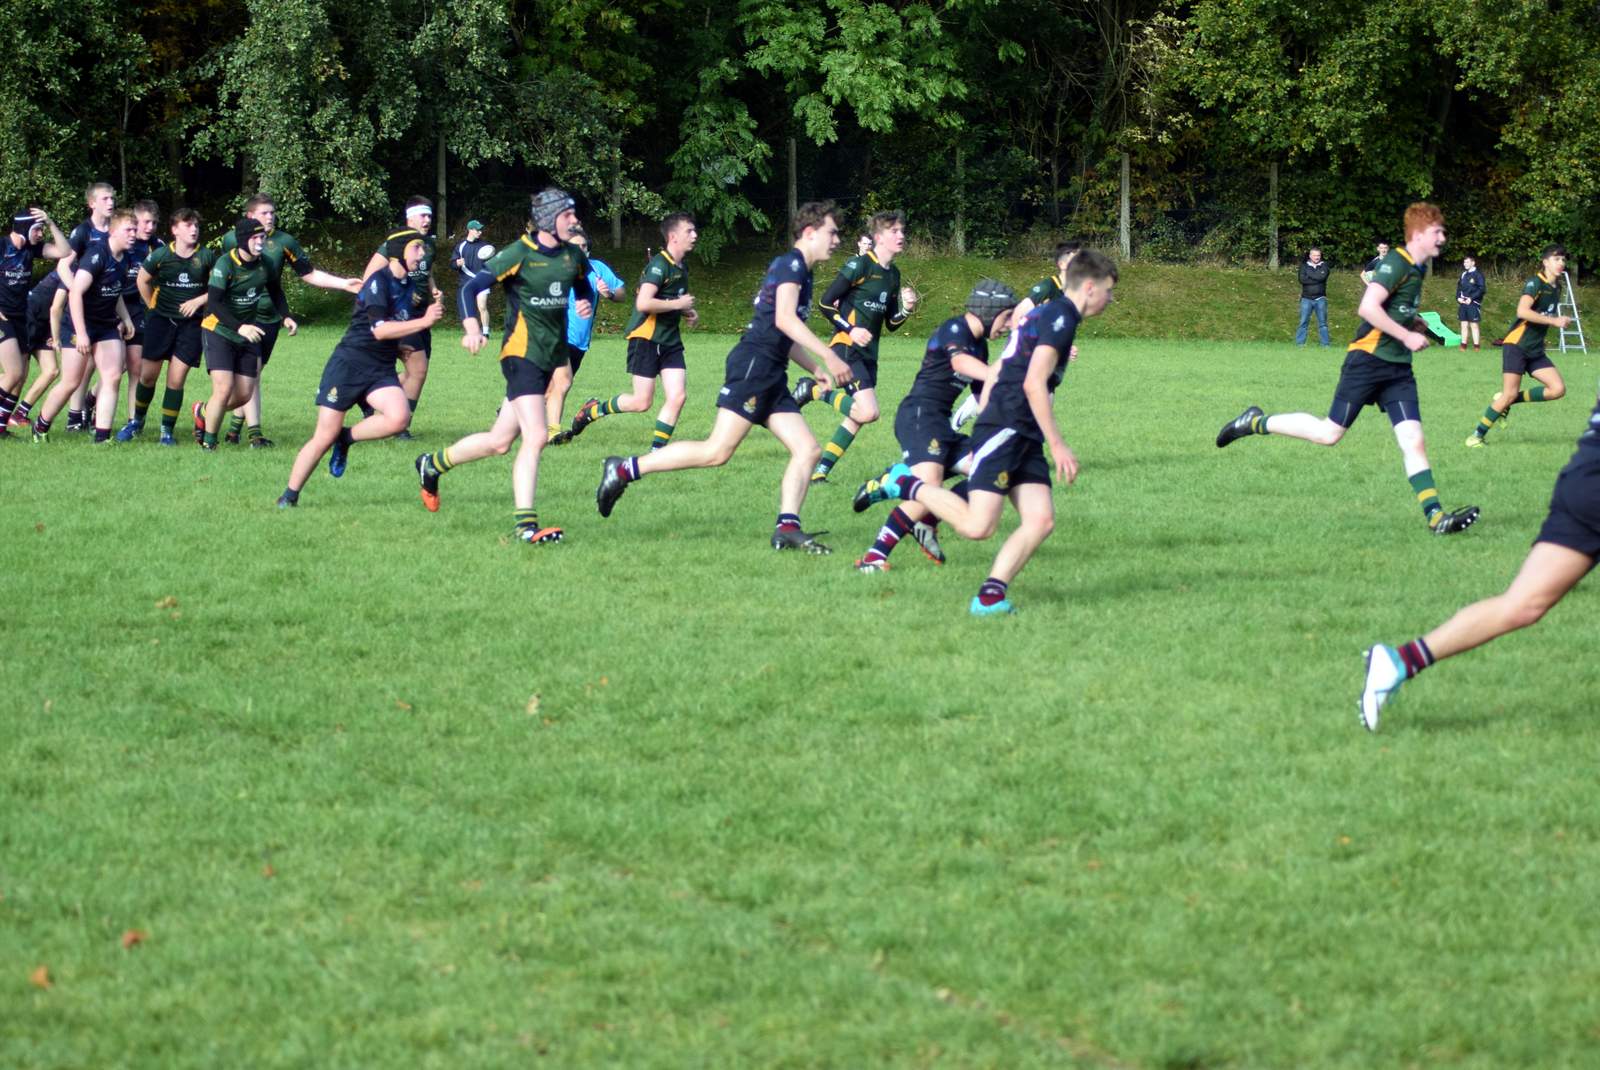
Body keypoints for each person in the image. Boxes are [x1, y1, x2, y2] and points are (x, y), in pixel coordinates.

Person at [855, 251, 1118, 614]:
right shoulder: (1059, 316)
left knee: (1040, 520)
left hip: (1020, 429)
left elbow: (1010, 367)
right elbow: (1033, 383)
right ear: (1089, 287)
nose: (1110, 299)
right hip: (1007, 424)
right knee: (978, 527)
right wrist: (1058, 444)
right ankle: (904, 484)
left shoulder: (1049, 314)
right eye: (1109, 291)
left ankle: (989, 597)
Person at [593, 200, 854, 553]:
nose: (837, 240)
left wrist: (816, 369)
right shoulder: (790, 265)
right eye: (832, 233)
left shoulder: (802, 272)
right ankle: (624, 469)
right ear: (810, 232)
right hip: (754, 368)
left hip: (771, 372)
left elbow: (784, 332)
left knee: (807, 449)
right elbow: (784, 320)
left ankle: (787, 529)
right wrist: (829, 355)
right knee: (716, 451)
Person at [1216, 203, 1479, 536]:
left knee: (1413, 440)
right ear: (1417, 234)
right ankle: (1254, 422)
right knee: (1329, 434)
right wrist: (1405, 335)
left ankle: (1436, 517)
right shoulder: (1395, 263)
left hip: (1398, 370)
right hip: (1367, 362)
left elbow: (1391, 309)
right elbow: (1367, 307)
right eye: (1436, 231)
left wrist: (1412, 323)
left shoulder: (1416, 269)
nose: (1442, 237)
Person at [1360, 388, 1600, 730]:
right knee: (1523, 603)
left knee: (1522, 605)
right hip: (1592, 486)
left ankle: (1400, 661)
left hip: (1584, 475)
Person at [413, 187, 595, 544]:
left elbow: (584, 286)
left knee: (499, 442)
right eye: (568, 214)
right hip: (520, 356)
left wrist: (585, 302)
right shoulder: (518, 253)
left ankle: (431, 464)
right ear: (548, 219)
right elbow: (469, 290)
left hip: (549, 357)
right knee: (537, 436)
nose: (574, 221)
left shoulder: (572, 255)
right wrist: (471, 328)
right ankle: (526, 526)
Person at [850, 279, 1019, 572]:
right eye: (1005, 317)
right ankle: (874, 556)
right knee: (927, 487)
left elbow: (983, 396)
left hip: (941, 425)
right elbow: (960, 364)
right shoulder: (955, 328)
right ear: (989, 311)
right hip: (919, 417)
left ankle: (927, 518)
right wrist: (998, 371)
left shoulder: (980, 347)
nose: (1006, 326)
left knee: (997, 470)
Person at [278, 229, 442, 507]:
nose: (422, 253)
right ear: (399, 252)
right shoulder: (378, 282)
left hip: (380, 368)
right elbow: (379, 329)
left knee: (399, 418)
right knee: (323, 436)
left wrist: (401, 345)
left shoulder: (410, 286)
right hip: (349, 366)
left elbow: (397, 323)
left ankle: (345, 438)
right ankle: (289, 496)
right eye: (417, 248)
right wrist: (424, 322)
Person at [219, 193, 360, 447]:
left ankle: (233, 430)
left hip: (269, 318)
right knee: (251, 374)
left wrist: (343, 284)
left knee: (251, 376)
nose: (270, 217)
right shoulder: (231, 239)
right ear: (250, 216)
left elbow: (309, 273)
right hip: (242, 318)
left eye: (272, 213)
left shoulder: (284, 242)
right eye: (264, 213)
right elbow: (220, 277)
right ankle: (254, 434)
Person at [790, 209, 916, 482]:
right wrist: (851, 329)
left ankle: (820, 471)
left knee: (858, 416)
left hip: (869, 353)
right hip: (846, 347)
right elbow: (825, 303)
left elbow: (891, 323)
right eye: (894, 231)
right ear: (879, 237)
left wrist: (906, 309)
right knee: (869, 411)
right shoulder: (860, 265)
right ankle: (815, 391)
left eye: (902, 231)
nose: (901, 236)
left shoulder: (893, 275)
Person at [558, 213, 694, 449]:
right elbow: (643, 303)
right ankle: (592, 411)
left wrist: (686, 311)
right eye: (689, 231)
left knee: (678, 396)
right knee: (641, 402)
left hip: (670, 340)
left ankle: (656, 453)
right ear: (673, 236)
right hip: (646, 337)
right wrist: (677, 304)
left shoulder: (681, 267)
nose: (695, 235)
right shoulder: (659, 265)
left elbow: (658, 297)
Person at [32, 208, 137, 443]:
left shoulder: (126, 257)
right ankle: (40, 426)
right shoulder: (97, 255)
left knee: (112, 376)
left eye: (134, 229)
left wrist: (126, 318)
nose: (133, 234)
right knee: (71, 382)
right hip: (78, 323)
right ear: (113, 231)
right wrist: (81, 334)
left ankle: (102, 437)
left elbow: (115, 291)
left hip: (106, 324)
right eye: (128, 230)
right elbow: (76, 293)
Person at [1464, 244, 1571, 448]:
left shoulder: (1557, 287)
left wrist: (1556, 321)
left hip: (1535, 349)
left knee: (1557, 389)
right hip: (1517, 345)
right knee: (1509, 393)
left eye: (1563, 259)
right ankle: (1476, 436)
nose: (1561, 263)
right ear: (1545, 262)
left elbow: (1542, 316)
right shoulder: (1535, 283)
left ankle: (1507, 400)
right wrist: (1554, 321)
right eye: (1556, 259)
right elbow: (1522, 311)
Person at [194, 217, 286, 450]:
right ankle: (209, 443)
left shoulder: (265, 263)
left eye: (262, 237)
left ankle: (203, 411)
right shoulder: (225, 264)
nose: (260, 242)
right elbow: (214, 303)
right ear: (243, 240)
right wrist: (239, 327)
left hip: (247, 332)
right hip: (218, 330)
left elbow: (276, 291)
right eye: (255, 238)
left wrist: (286, 316)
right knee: (224, 389)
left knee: (244, 394)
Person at [130, 208, 217, 445]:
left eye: (196, 225)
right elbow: (142, 280)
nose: (194, 229)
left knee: (176, 380)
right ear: (174, 230)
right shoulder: (161, 255)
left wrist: (198, 301)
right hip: (160, 322)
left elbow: (218, 289)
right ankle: (137, 421)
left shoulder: (207, 257)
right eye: (188, 225)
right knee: (148, 376)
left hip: (191, 326)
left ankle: (166, 432)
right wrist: (152, 306)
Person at [358, 196, 438, 439]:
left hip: (421, 315)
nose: (427, 220)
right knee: (418, 371)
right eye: (423, 215)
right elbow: (369, 279)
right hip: (400, 317)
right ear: (409, 218)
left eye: (430, 215)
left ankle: (370, 398)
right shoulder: (393, 245)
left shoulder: (428, 244)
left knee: (417, 373)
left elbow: (427, 270)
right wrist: (388, 304)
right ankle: (399, 427)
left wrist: (433, 289)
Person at [541, 227, 625, 438]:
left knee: (551, 389)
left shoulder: (597, 269)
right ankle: (552, 433)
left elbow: (622, 293)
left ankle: (511, 412)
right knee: (563, 382)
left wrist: (610, 293)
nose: (580, 250)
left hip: (580, 342)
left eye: (583, 246)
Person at [0, 210, 69, 436]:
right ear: (24, 228)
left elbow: (64, 251)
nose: (40, 234)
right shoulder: (2, 246)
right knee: (13, 373)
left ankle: (1, 428)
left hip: (21, 317)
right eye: (37, 229)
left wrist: (50, 223)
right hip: (3, 318)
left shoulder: (32, 249)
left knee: (19, 377)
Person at [56, 181, 116, 431]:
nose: (111, 202)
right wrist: (76, 291)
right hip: (83, 309)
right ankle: (74, 417)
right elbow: (62, 265)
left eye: (112, 198)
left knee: (113, 365)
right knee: (82, 364)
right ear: (92, 203)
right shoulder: (83, 231)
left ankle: (89, 404)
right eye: (105, 198)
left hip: (107, 306)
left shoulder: (116, 230)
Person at [109, 201, 162, 437]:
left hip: (139, 311)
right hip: (114, 307)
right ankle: (86, 406)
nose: (150, 227)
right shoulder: (123, 245)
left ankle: (133, 422)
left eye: (154, 223)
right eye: (145, 222)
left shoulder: (157, 246)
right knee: (111, 369)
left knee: (136, 368)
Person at [452, 218, 494, 331]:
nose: (480, 232)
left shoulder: (485, 246)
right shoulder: (460, 246)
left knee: (482, 306)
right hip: (466, 282)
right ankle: (472, 331)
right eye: (477, 230)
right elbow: (453, 264)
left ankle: (485, 332)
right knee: (469, 310)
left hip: (481, 281)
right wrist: (457, 263)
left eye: (481, 230)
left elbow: (491, 264)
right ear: (470, 230)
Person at [1295, 247, 1331, 347]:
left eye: (1318, 255)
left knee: (1323, 323)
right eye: (1314, 255)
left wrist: (1310, 275)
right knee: (1303, 322)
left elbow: (1322, 277)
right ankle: (1300, 344)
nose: (1317, 257)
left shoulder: (1324, 266)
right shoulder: (1304, 266)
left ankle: (1325, 344)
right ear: (1310, 256)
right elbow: (1302, 280)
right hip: (1306, 298)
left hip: (1320, 298)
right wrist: (1317, 278)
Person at [1455, 256, 1485, 350]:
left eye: (1467, 262)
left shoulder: (1478, 275)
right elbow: (1459, 287)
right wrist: (1458, 298)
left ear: (1473, 263)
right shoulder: (1463, 274)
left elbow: (1482, 289)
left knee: (1474, 325)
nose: (1465, 264)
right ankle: (1463, 345)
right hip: (1463, 302)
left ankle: (1476, 346)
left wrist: (1471, 298)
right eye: (1464, 262)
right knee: (1463, 324)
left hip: (1473, 303)